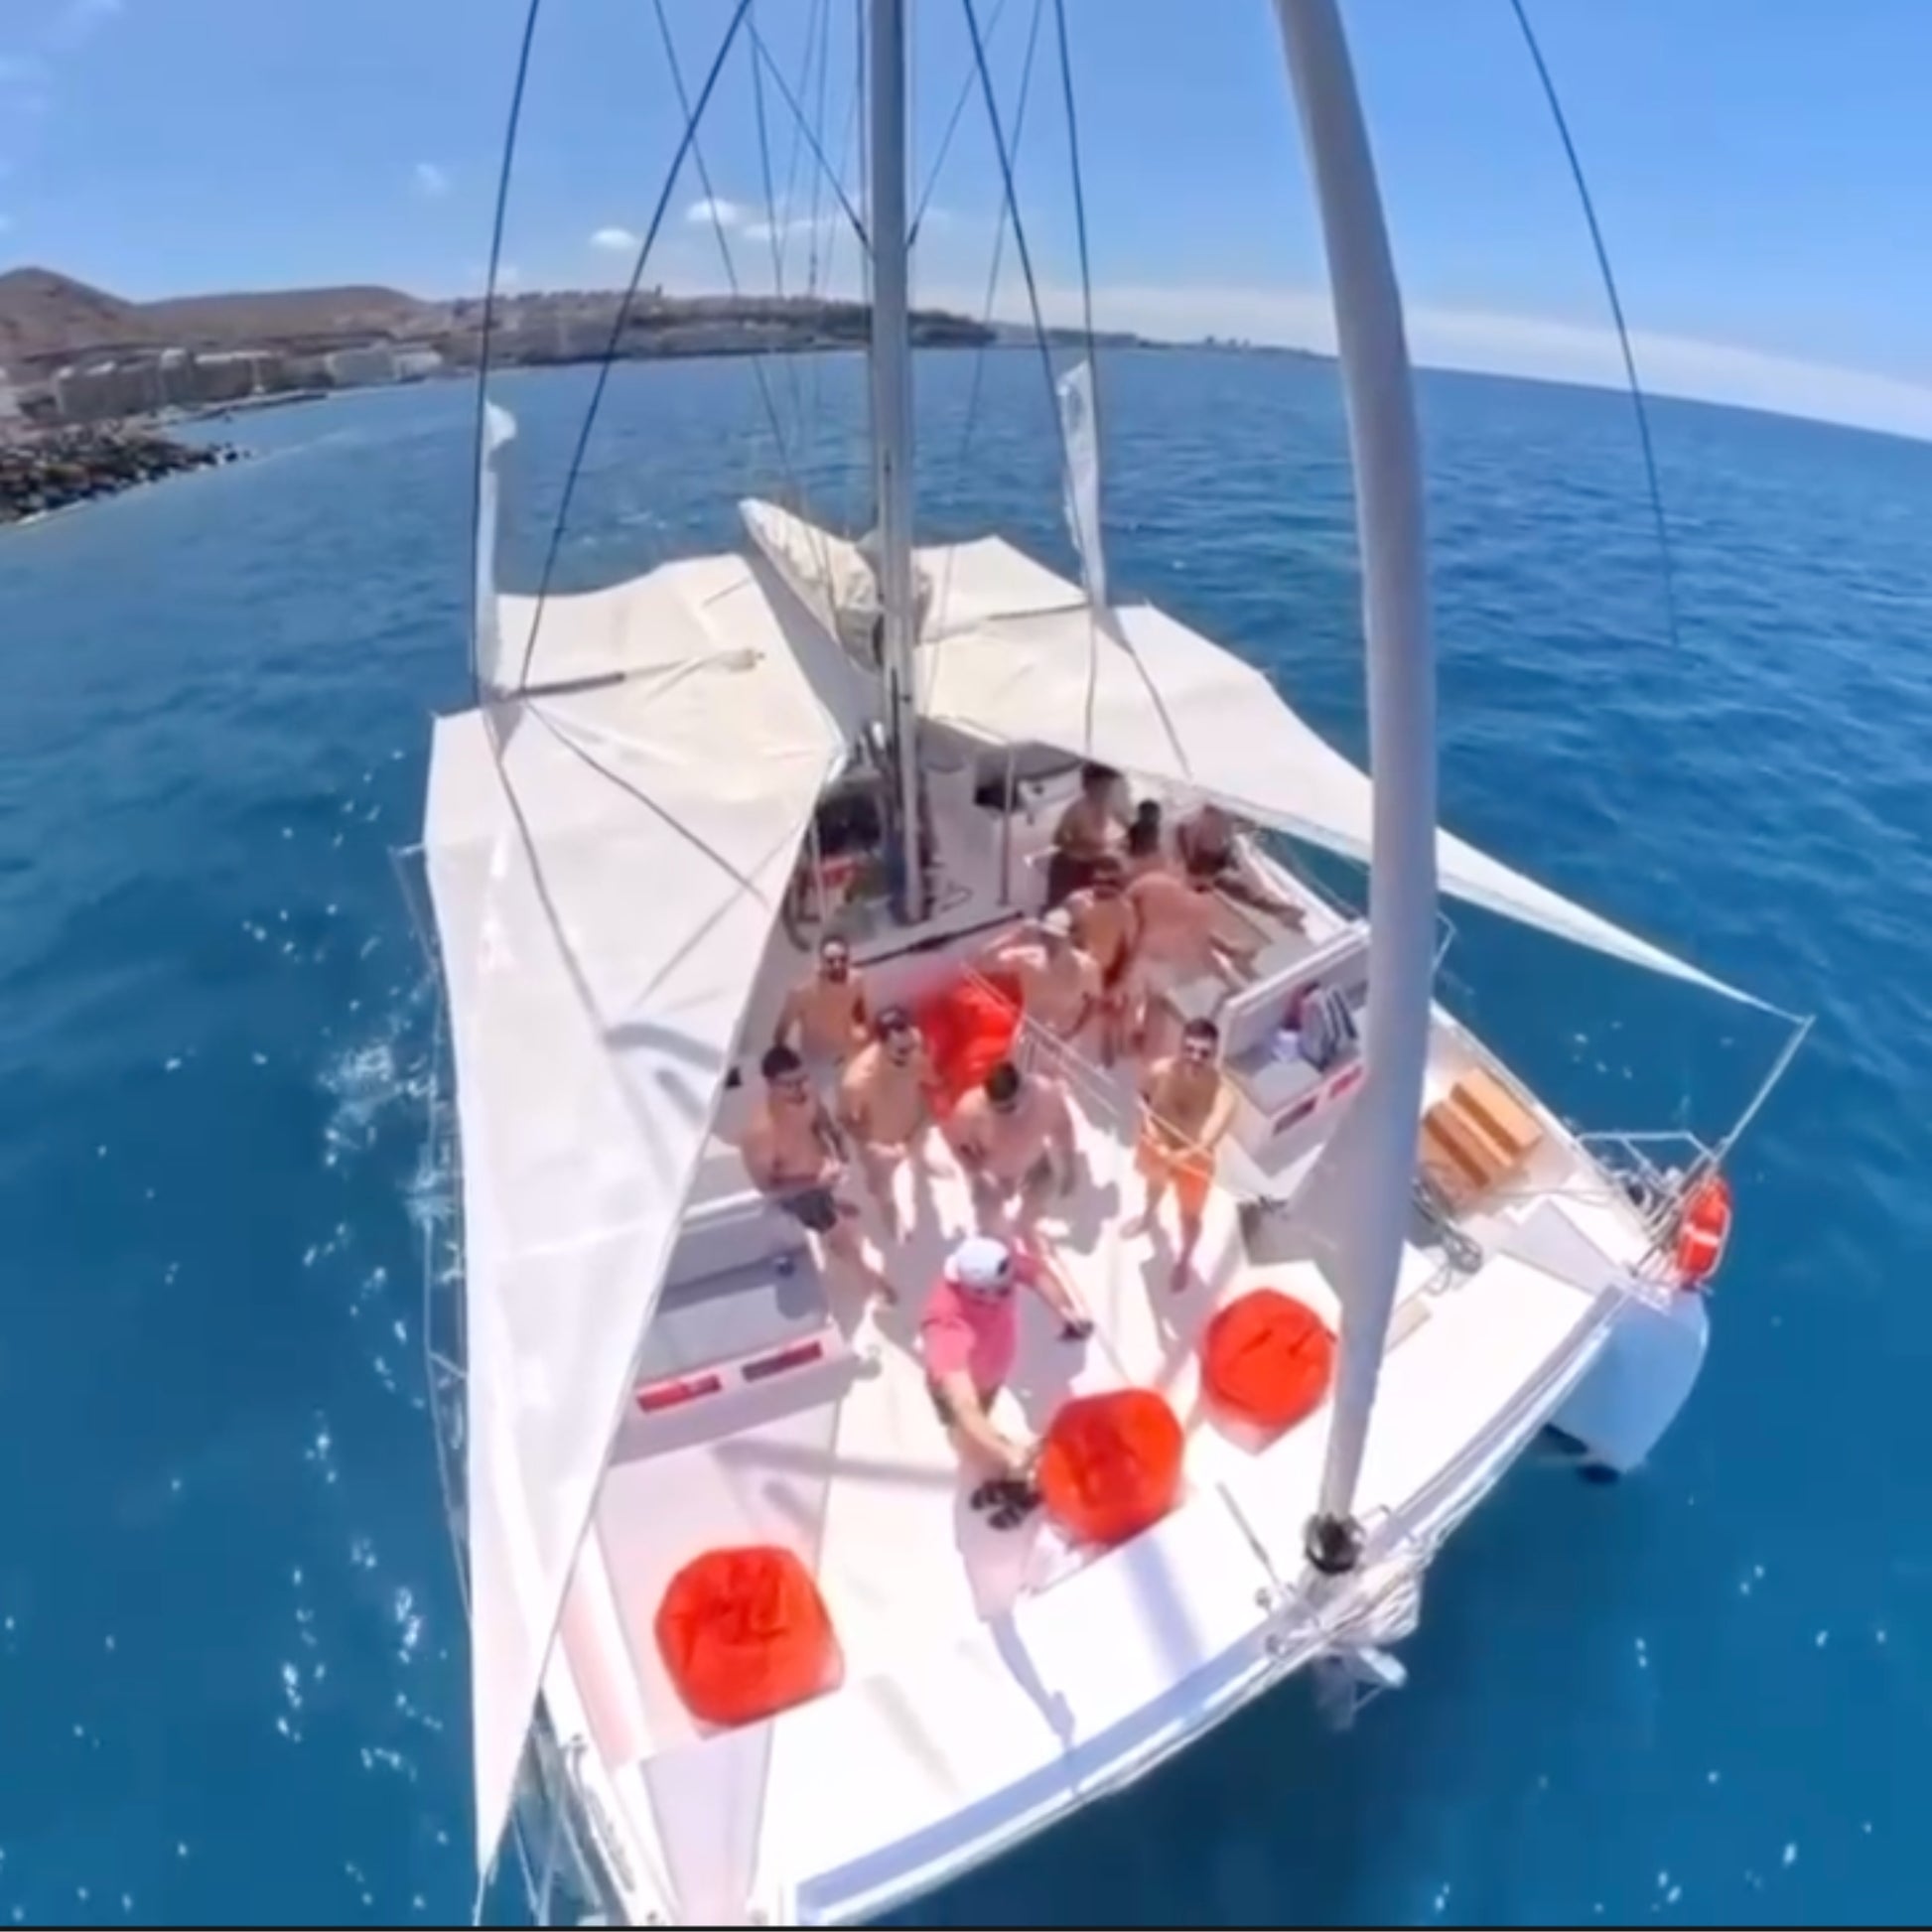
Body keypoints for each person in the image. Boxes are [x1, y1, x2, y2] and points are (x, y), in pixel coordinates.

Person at [920, 1233, 1092, 1528]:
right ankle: (1017, 1477)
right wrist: (1008, 1452)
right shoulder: (946, 1325)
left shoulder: (999, 1268)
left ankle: (1021, 1482)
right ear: (976, 1290)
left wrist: (1065, 1310)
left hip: (994, 1370)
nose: (1007, 1291)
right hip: (965, 1383)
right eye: (998, 1291)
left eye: (1007, 1286)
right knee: (963, 1436)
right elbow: (963, 1405)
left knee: (971, 1442)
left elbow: (1035, 1273)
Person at [739, 1043, 895, 1301]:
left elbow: (822, 1119)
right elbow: (765, 1186)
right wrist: (814, 1182)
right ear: (770, 1084)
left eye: (802, 1079)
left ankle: (832, 1209)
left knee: (834, 1211)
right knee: (842, 1234)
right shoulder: (760, 1133)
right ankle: (867, 1277)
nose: (799, 1089)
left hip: (823, 1174)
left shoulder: (806, 1096)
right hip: (800, 1194)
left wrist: (838, 1145)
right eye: (788, 1084)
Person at [1134, 1017, 1238, 1293]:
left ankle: (1183, 1260)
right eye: (1189, 1049)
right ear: (1180, 1047)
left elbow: (1207, 1140)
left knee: (1189, 1217)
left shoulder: (1224, 1095)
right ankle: (1148, 1216)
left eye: (1204, 1053)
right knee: (1153, 1184)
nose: (1195, 1057)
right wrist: (1150, 1130)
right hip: (1158, 1144)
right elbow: (1142, 1097)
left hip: (1194, 1160)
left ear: (1214, 1055)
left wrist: (1175, 1157)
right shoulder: (1160, 1070)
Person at [1126, 853, 1257, 1054]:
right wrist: (1224, 969)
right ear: (1210, 876)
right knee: (1155, 1000)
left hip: (1138, 949)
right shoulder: (1202, 904)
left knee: (1137, 997)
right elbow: (1201, 943)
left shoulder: (1152, 881)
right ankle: (1142, 1037)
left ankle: (1132, 1030)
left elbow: (1127, 900)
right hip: (1164, 961)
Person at [837, 1005, 943, 1240]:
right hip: (880, 1140)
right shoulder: (858, 1081)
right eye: (902, 1051)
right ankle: (890, 1216)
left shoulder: (915, 1044)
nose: (910, 1053)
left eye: (912, 1045)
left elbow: (930, 1076)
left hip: (915, 1122)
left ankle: (921, 1171)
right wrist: (871, 1147)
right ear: (882, 1044)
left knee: (919, 1154)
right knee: (881, 1186)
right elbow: (844, 1119)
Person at [948, 1057, 1078, 1236]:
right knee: (992, 1214)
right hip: (997, 1172)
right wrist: (972, 1167)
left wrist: (1069, 1163)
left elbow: (1063, 1127)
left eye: (1012, 1105)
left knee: (1039, 1192)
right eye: (999, 1109)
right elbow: (957, 1143)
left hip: (1036, 1163)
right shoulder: (970, 1110)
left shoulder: (1045, 1092)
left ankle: (1026, 1227)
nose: (1008, 1112)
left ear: (1023, 1087)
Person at [977, 905, 1103, 1045]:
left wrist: (1074, 1031)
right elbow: (984, 961)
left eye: (1057, 936)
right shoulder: (1028, 958)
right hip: (1024, 1038)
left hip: (1062, 1043)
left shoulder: (1088, 966)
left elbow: (1094, 1001)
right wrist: (1015, 935)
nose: (1050, 940)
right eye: (1047, 934)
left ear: (1069, 937)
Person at [1173, 802, 1305, 926]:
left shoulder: (1211, 821)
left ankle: (1277, 910)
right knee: (1222, 879)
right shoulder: (1196, 827)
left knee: (1226, 879)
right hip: (1204, 854)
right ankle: (1277, 910)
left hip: (1212, 851)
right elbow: (1183, 832)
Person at [1066, 854, 1140, 1066]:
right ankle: (1070, 1034)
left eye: (1111, 882)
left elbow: (1131, 950)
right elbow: (1062, 932)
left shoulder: (1126, 911)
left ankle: (1109, 1044)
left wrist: (1120, 982)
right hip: (1080, 966)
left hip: (1107, 971)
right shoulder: (1077, 902)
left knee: (1112, 1009)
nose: (1105, 887)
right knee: (1074, 1011)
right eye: (1099, 881)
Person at [773, 933, 871, 1093]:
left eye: (842, 959)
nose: (838, 965)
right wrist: (793, 1068)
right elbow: (780, 1035)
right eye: (831, 961)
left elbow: (859, 1009)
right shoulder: (801, 992)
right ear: (820, 962)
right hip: (816, 1066)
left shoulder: (857, 979)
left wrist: (861, 1030)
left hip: (847, 1058)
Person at [1045, 760, 1130, 905]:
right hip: (1078, 867)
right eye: (1102, 786)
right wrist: (1085, 846)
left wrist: (1123, 843)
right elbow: (1058, 839)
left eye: (1108, 787)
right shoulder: (1076, 809)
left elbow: (1129, 830)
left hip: (1103, 866)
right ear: (1088, 786)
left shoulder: (1114, 807)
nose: (1105, 791)